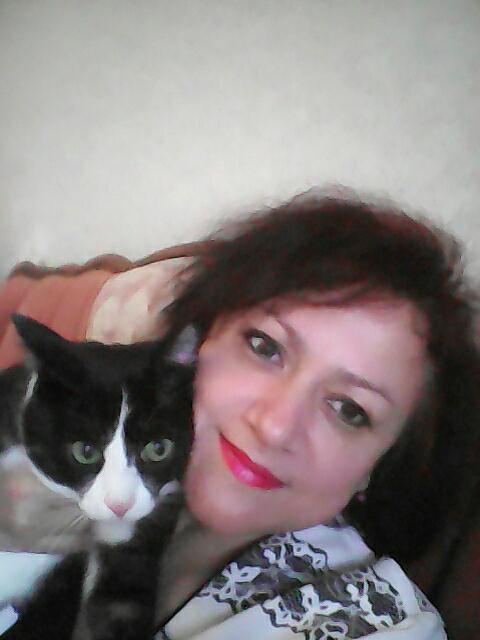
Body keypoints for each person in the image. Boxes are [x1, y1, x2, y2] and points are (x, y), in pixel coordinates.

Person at [1, 192, 479, 639]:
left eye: (349, 410)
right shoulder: (58, 462)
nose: (275, 425)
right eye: (265, 347)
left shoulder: (383, 625)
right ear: (196, 345)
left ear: (380, 464)